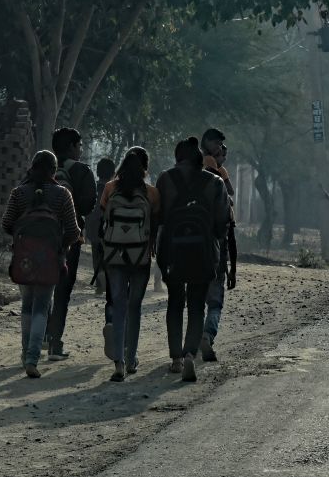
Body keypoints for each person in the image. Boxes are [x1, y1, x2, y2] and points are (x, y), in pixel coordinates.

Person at [2, 150, 81, 378]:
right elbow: (74, 232)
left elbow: (7, 224)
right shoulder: (62, 194)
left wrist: (23, 238)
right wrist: (60, 246)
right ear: (54, 171)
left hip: (23, 259)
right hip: (50, 260)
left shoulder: (19, 193)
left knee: (27, 304)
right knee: (42, 307)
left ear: (32, 167)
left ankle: (26, 352)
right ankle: (32, 359)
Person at [156, 136, 229, 382]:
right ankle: (189, 354)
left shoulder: (166, 179)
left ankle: (175, 358)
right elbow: (222, 224)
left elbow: (159, 217)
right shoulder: (215, 182)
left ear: (178, 157)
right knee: (197, 305)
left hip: (172, 252)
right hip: (204, 253)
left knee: (175, 301)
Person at [99, 147, 160, 381]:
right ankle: (132, 357)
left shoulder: (109, 188)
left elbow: (104, 220)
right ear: (145, 169)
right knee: (135, 307)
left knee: (119, 306)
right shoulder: (152, 193)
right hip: (140, 256)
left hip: (114, 256)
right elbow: (155, 224)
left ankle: (118, 363)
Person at [45, 128, 97, 361]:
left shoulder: (42, 167)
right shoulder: (82, 171)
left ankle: (40, 337)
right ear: (72, 147)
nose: (82, 149)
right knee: (63, 291)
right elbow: (87, 206)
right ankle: (55, 342)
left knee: (42, 287)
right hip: (69, 238)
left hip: (41, 236)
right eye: (80, 145)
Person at [200, 144, 238, 362]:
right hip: (218, 258)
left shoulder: (190, 198)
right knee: (215, 304)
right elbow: (231, 238)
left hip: (194, 257)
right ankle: (207, 335)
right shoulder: (226, 201)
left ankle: (190, 343)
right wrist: (232, 268)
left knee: (196, 303)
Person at [88, 158, 116, 299]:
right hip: (108, 228)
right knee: (108, 255)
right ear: (113, 172)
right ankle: (108, 283)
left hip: (93, 227)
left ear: (98, 172)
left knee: (96, 254)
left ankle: (100, 285)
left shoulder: (93, 188)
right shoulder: (112, 189)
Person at [201, 128, 234, 197]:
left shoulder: (197, 157)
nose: (219, 148)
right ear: (206, 140)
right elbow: (217, 187)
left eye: (220, 145)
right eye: (216, 143)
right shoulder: (209, 160)